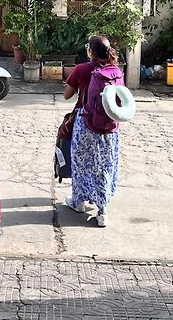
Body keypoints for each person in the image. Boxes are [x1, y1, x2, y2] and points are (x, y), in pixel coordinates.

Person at [63, 35, 124, 227]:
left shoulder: (81, 69)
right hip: (110, 126)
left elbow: (66, 95)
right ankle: (102, 210)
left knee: (81, 162)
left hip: (86, 123)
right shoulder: (116, 71)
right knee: (105, 165)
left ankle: (78, 202)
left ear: (90, 51)